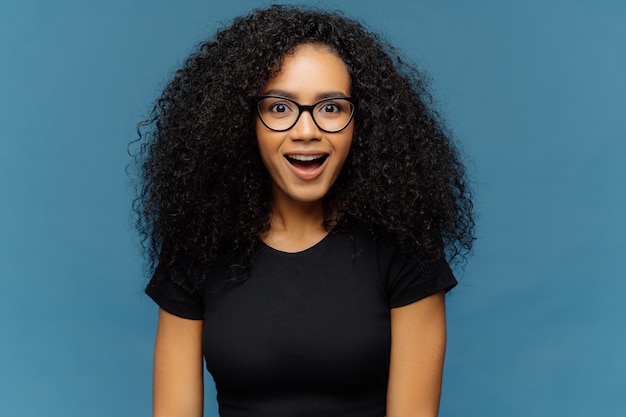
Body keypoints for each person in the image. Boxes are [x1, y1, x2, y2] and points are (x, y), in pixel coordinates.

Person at [131, 4, 474, 417]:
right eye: (280, 107)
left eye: (331, 107)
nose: (306, 130)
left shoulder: (405, 244)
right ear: (244, 122)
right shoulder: (197, 245)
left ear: (360, 124)